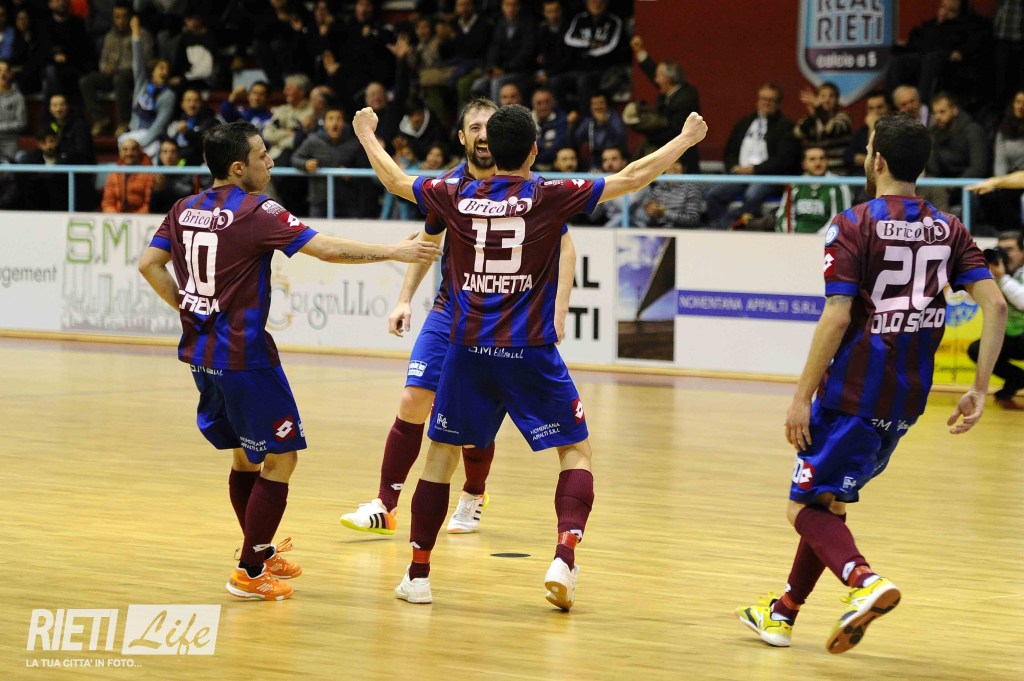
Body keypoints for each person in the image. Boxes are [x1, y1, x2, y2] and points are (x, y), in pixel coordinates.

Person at [353, 102, 707, 609]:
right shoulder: (549, 195)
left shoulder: (453, 194)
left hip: (467, 350)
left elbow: (393, 181)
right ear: (535, 151)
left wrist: (368, 133)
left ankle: (418, 575)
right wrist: (686, 139)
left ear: (490, 151)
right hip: (529, 351)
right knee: (576, 452)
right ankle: (564, 557)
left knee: (440, 456)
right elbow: (632, 177)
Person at [736, 112, 1007, 654]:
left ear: (876, 160)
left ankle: (865, 582)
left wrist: (800, 397)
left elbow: (837, 315)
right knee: (830, 503)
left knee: (802, 508)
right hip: (906, 399)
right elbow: (996, 305)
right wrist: (979, 388)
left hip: (852, 392)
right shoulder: (950, 228)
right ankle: (783, 614)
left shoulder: (853, 222)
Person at [137, 120, 441, 601]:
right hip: (245, 358)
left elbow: (148, 265)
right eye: (262, 155)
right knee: (282, 458)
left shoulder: (183, 208)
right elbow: (326, 249)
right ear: (238, 168)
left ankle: (258, 549)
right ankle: (249, 571)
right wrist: (394, 251)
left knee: (245, 456)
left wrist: (187, 305)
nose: (271, 161)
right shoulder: (257, 210)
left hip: (201, 354)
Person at [340, 98, 571, 536]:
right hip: (451, 309)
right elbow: (427, 242)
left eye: (489, 126)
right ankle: (385, 504)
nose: (483, 135)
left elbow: (566, 247)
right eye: (475, 127)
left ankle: (473, 494)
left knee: (476, 417)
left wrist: (558, 311)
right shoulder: (449, 186)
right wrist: (404, 299)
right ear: (462, 137)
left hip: (505, 318)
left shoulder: (528, 183)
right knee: (413, 399)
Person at [705, 82, 799, 229]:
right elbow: (730, 151)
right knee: (713, 195)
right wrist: (734, 168)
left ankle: (733, 225)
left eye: (771, 100)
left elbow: (783, 159)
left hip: (768, 176)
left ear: (778, 103)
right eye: (763, 99)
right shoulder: (744, 123)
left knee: (752, 195)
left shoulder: (786, 126)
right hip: (740, 174)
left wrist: (754, 170)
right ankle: (721, 228)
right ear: (757, 100)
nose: (766, 103)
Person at [770, 146, 852, 234]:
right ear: (804, 164)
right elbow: (784, 216)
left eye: (822, 158)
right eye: (812, 159)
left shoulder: (839, 185)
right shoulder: (795, 185)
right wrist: (792, 237)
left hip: (824, 239)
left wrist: (816, 238)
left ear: (827, 161)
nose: (818, 163)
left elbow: (840, 221)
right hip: (795, 237)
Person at [101, 137, 157, 213]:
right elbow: (108, 203)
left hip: (141, 217)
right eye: (125, 149)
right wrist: (115, 217)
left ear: (139, 152)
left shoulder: (148, 174)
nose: (129, 153)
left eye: (133, 149)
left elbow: (148, 204)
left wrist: (134, 218)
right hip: (116, 216)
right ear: (120, 153)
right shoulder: (114, 174)